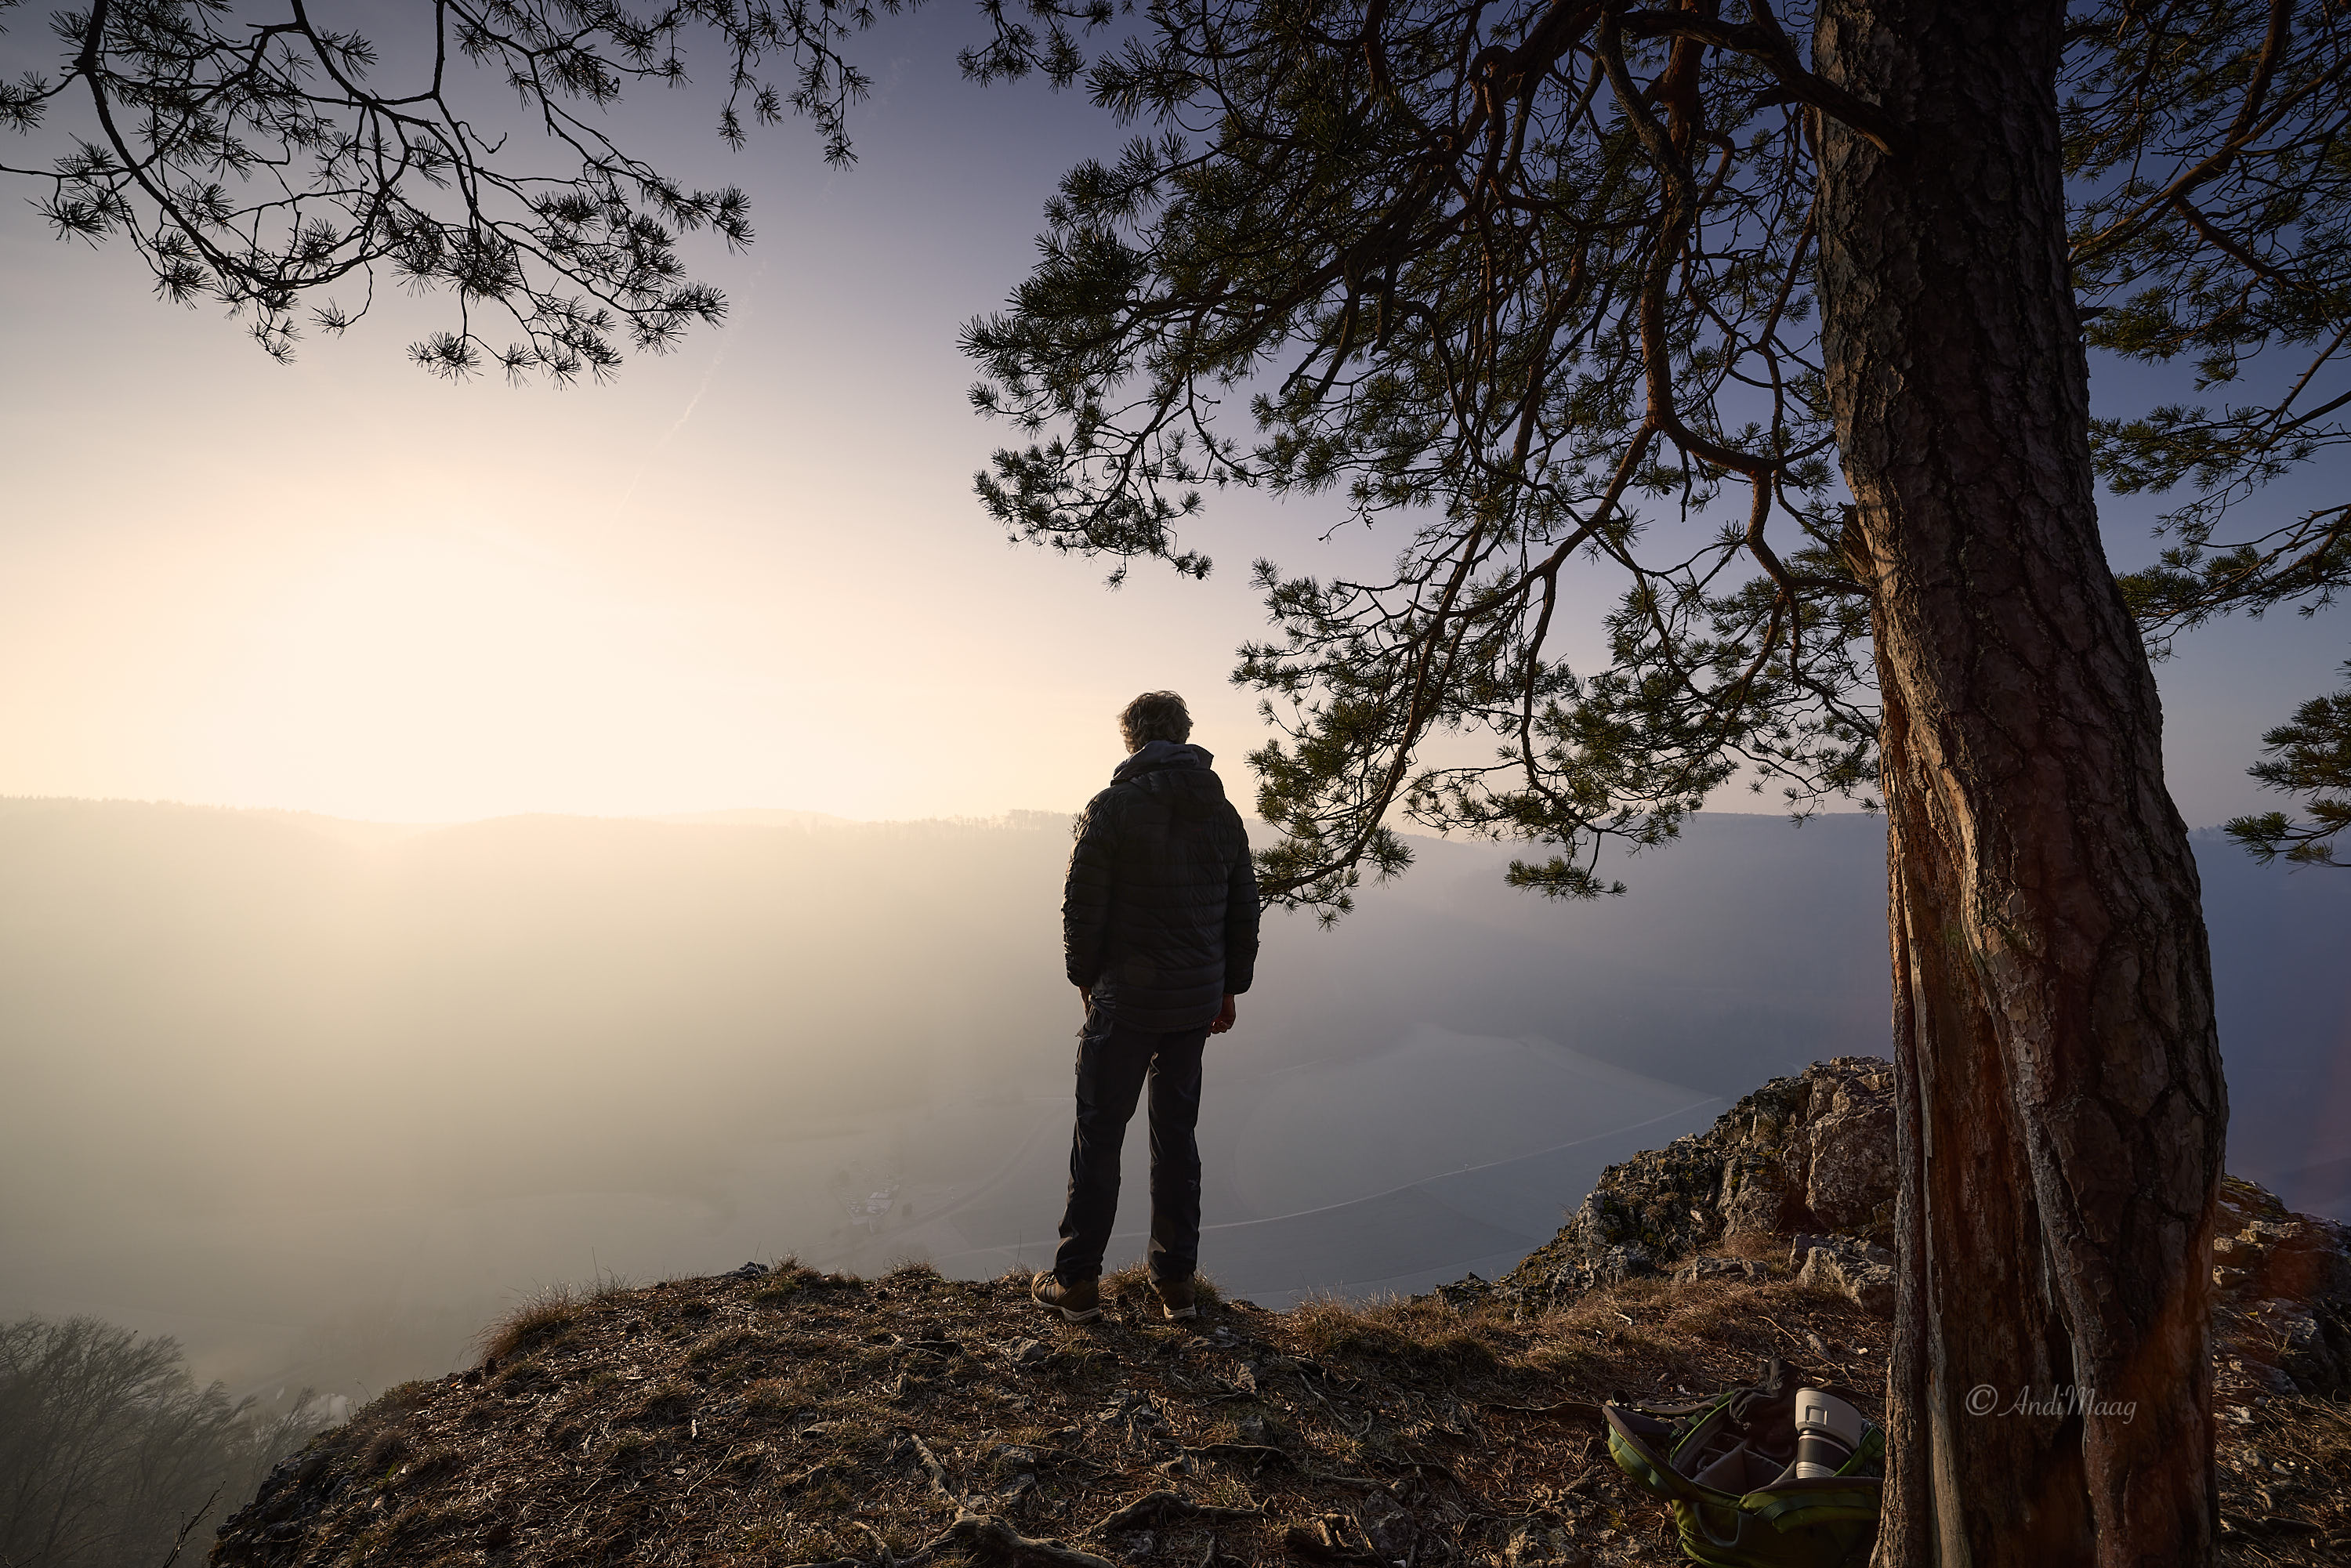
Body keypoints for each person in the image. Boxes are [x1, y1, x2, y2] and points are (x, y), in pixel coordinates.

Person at [1032, 690, 1260, 1324]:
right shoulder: (1223, 812)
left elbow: (1082, 903)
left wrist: (1085, 978)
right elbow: (1244, 906)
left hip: (1124, 1004)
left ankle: (1077, 1282)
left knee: (1099, 1138)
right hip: (1192, 1006)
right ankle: (1176, 1284)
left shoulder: (1112, 808)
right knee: (1177, 1139)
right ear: (1185, 736)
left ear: (1131, 739)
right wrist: (1228, 986)